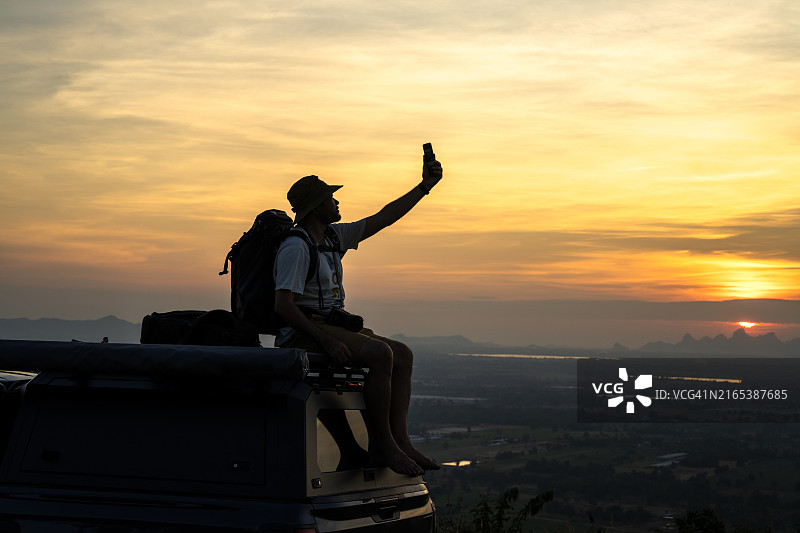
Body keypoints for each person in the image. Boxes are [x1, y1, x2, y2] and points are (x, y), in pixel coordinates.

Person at [273, 151, 443, 476]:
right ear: (316, 207)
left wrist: (424, 187)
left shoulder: (334, 237)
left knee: (402, 354)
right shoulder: (296, 247)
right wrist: (324, 339)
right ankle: (382, 444)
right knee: (380, 354)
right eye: (330, 198)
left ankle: (400, 441)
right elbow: (283, 305)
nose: (336, 202)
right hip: (305, 329)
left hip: (329, 323)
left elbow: (385, 217)